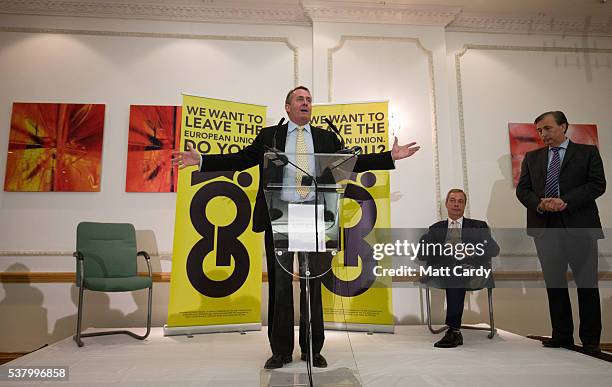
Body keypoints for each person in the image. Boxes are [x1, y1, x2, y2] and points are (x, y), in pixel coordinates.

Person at [173, 86, 420, 368]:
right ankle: (280, 351)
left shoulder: (325, 137)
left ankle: (312, 349)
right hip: (278, 214)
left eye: (309, 100)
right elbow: (241, 159)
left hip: (313, 217)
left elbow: (353, 162)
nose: (306, 103)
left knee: (311, 284)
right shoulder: (271, 136)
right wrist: (202, 160)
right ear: (287, 107)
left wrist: (389, 157)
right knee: (279, 286)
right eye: (300, 99)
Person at [516, 111, 605, 354]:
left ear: (563, 126)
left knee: (587, 286)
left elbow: (598, 184)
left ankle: (590, 341)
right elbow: (523, 190)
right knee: (555, 285)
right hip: (545, 229)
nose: (543, 134)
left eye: (547, 128)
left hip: (580, 228)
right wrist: (540, 203)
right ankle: (562, 336)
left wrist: (565, 200)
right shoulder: (532, 158)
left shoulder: (587, 153)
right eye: (539, 131)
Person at [418, 189, 499, 348]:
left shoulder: (478, 226)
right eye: (453, 200)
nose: (456, 204)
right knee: (452, 271)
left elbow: (494, 250)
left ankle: (453, 331)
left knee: (457, 272)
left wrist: (472, 251)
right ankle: (454, 330)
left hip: (471, 268)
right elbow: (422, 254)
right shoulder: (435, 228)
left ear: (464, 205)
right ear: (446, 204)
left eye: (460, 201)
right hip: (444, 269)